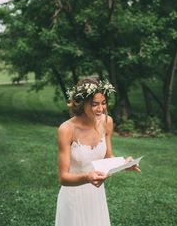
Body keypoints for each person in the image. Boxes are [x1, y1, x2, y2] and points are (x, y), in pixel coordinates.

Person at [54, 77, 140, 226]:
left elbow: (107, 157)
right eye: (94, 104)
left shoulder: (107, 122)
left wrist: (124, 163)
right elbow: (63, 177)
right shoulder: (66, 129)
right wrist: (87, 177)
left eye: (104, 103)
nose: (101, 109)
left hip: (96, 195)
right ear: (81, 103)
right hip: (73, 196)